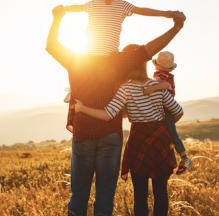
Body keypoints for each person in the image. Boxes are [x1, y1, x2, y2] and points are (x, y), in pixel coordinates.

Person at [46, 5, 186, 216]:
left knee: (79, 194)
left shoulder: (77, 59)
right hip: (111, 135)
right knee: (105, 194)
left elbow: (52, 45)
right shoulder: (119, 61)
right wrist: (175, 27)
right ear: (115, 33)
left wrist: (57, 18)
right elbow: (150, 49)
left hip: (83, 133)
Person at [74, 51, 184, 214]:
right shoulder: (156, 86)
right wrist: (162, 128)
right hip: (161, 140)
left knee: (140, 194)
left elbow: (108, 114)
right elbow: (178, 111)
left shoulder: (126, 89)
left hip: (139, 141)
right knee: (161, 192)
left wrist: (82, 108)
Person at [62, 0, 178, 133]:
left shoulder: (122, 4)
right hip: (90, 56)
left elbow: (142, 10)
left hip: (111, 57)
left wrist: (166, 14)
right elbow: (78, 7)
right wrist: (64, 9)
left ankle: (119, 111)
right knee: (79, 84)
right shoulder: (93, 4)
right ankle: (74, 118)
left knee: (123, 80)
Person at [143, 51, 192, 174]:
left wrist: (151, 89)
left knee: (172, 133)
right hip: (165, 107)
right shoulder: (163, 74)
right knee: (169, 132)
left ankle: (185, 158)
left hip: (166, 108)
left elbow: (164, 85)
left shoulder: (163, 76)